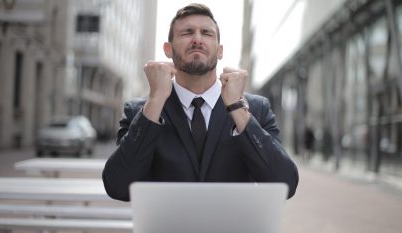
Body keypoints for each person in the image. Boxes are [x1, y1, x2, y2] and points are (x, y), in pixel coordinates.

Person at [102, 3, 299, 202]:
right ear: (168, 49)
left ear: (220, 50)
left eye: (206, 33)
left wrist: (236, 108)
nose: (197, 39)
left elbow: (284, 184)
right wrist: (156, 99)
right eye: (187, 33)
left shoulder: (256, 108)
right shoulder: (141, 111)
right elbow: (118, 186)